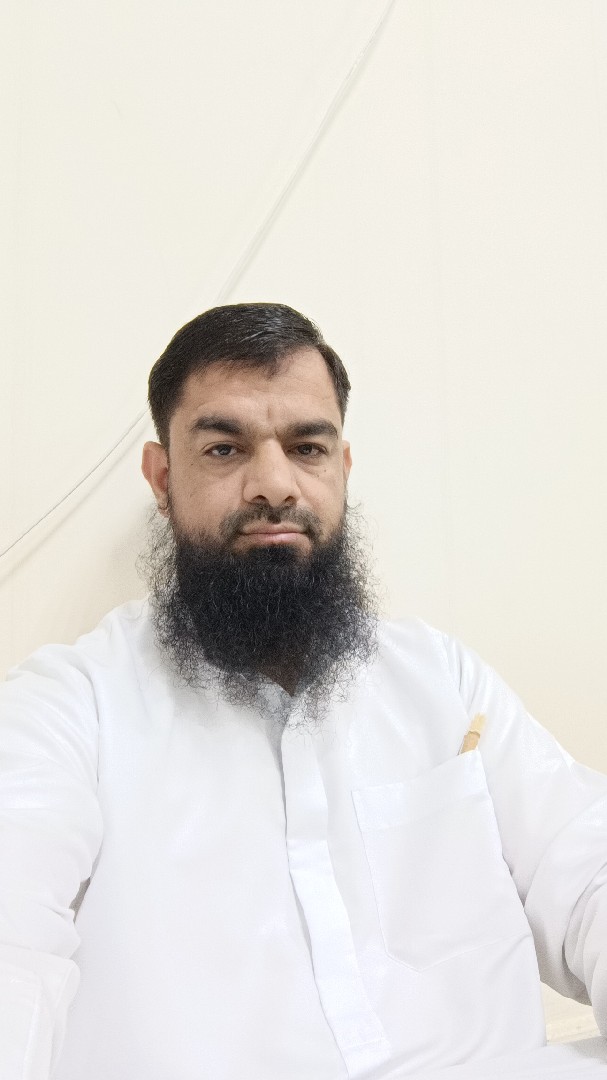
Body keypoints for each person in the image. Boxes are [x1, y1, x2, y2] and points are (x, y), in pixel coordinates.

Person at [2, 303, 607, 1080]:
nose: (274, 485)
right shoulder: (70, 707)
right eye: (224, 448)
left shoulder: (441, 679)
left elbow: (586, 872)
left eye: (306, 447)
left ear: (341, 468)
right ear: (162, 478)